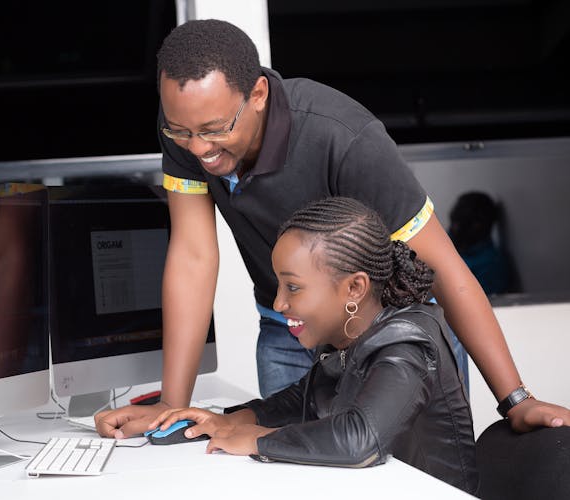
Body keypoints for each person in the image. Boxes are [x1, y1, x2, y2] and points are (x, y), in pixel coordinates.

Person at [95, 19, 569, 438]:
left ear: (257, 94)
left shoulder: (344, 138)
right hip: (289, 326)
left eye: (216, 129)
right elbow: (194, 256)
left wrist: (516, 400)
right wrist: (172, 405)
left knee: (410, 479)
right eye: (181, 131)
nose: (198, 149)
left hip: (386, 332)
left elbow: (445, 268)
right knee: (296, 471)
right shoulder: (188, 121)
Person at [149, 198, 478, 494]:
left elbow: (360, 439)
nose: (278, 303)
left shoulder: (408, 344)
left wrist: (257, 440)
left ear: (354, 287)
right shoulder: (347, 334)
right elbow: (303, 397)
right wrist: (234, 419)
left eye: (293, 287)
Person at [448, 191, 512, 296]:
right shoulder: (452, 241)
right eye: (453, 222)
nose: (453, 229)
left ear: (478, 225)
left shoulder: (491, 264)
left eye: (460, 224)